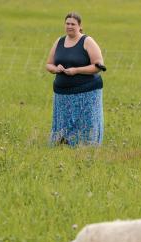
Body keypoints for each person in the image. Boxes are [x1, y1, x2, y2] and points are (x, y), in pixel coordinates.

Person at [45, 12, 105, 146]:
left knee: (85, 121)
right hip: (62, 92)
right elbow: (48, 64)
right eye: (67, 23)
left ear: (80, 26)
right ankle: (63, 144)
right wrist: (56, 69)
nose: (69, 26)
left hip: (87, 92)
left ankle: (87, 146)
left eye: (73, 24)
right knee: (64, 122)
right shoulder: (59, 41)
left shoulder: (87, 41)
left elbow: (98, 65)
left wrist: (76, 70)